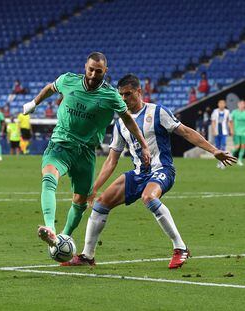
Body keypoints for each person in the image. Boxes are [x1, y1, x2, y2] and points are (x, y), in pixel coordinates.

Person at [63, 74, 236, 269]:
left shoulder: (158, 112)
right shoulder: (121, 122)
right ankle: (88, 255)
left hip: (162, 170)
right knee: (101, 204)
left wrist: (214, 150)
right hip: (138, 173)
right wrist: (94, 188)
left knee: (149, 197)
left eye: (128, 94)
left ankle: (180, 248)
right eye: (121, 95)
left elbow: (186, 132)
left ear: (139, 92)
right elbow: (112, 160)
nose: (124, 99)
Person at [22, 53, 151, 248]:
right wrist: (33, 103)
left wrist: (144, 144)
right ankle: (50, 228)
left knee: (81, 201)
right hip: (61, 144)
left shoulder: (110, 95)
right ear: (85, 66)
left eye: (98, 71)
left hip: (86, 152)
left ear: (105, 71)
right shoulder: (68, 80)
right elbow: (50, 88)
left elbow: (128, 120)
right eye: (90, 69)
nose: (93, 74)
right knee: (49, 177)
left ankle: (62, 238)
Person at [211, 100, 230, 169]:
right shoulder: (215, 111)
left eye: (223, 103)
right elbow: (213, 121)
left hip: (224, 132)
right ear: (218, 104)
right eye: (220, 103)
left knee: (223, 146)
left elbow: (229, 121)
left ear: (225, 104)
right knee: (217, 148)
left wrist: (230, 130)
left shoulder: (227, 112)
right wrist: (213, 130)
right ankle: (219, 162)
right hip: (217, 132)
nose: (221, 105)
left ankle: (222, 162)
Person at [229, 100, 245, 166]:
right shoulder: (234, 112)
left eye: (243, 104)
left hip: (244, 133)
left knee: (243, 146)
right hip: (236, 132)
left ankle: (240, 160)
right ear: (238, 104)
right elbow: (230, 121)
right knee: (237, 146)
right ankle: (229, 158)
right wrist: (231, 130)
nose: (242, 105)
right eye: (240, 104)